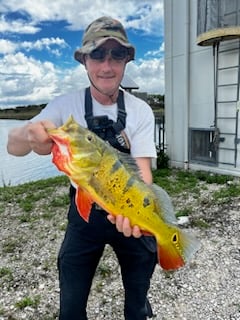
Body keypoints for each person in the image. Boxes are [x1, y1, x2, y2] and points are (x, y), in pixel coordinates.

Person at [7, 16, 157, 320]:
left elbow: (143, 174)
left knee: (138, 300)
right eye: (98, 55)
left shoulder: (140, 111)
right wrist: (29, 134)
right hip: (84, 210)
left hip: (125, 209)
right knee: (71, 304)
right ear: (84, 60)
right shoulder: (65, 105)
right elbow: (13, 145)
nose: (107, 66)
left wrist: (136, 214)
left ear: (127, 59)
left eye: (116, 55)